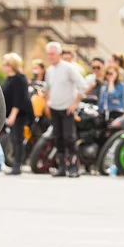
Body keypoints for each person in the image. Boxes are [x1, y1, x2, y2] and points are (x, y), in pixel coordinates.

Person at [44, 41, 87, 178]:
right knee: (58, 138)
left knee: (69, 138)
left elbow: (82, 85)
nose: (50, 56)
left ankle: (74, 166)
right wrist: (47, 102)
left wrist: (75, 103)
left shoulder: (68, 68)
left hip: (67, 109)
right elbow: (47, 88)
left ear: (59, 54)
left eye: (52, 54)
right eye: (48, 54)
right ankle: (61, 166)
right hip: (55, 108)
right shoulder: (50, 70)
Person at [2, 52, 33, 175]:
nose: (5, 67)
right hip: (11, 113)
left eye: (7, 64)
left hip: (19, 114)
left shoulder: (20, 78)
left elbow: (19, 99)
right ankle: (15, 164)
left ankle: (17, 165)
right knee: (14, 139)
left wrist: (13, 115)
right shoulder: (9, 78)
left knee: (17, 139)